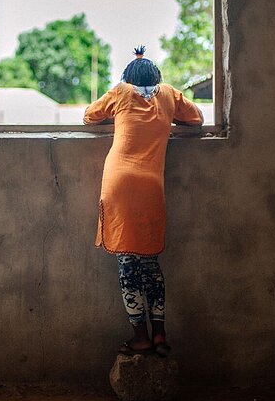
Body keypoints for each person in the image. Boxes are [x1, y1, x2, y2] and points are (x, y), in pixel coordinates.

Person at [83, 45, 203, 356]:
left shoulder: (120, 92)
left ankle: (139, 336)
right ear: (157, 76)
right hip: (152, 186)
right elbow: (198, 119)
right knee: (150, 262)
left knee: (127, 262)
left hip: (119, 183)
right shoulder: (169, 94)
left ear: (127, 76)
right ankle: (160, 334)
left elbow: (88, 116)